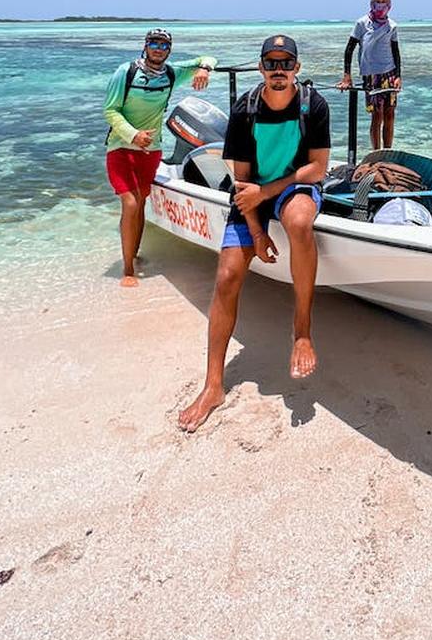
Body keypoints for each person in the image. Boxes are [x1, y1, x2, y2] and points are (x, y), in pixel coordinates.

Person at [178, 35, 331, 432]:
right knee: (227, 277)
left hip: (293, 186)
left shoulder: (313, 105)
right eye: (270, 63)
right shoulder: (245, 108)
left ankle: (302, 332)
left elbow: (317, 169)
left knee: (299, 221)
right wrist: (257, 233)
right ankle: (213, 384)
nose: (278, 70)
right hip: (253, 193)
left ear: (296, 68)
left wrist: (269, 192)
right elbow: (242, 183)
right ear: (261, 67)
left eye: (286, 63)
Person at [104, 28, 215, 287]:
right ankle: (128, 269)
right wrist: (133, 135)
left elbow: (207, 57)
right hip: (121, 147)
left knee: (141, 202)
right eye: (154, 43)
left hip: (151, 150)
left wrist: (205, 69)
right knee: (130, 204)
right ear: (145, 45)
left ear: (169, 50)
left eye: (164, 45)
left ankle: (134, 253)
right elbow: (110, 110)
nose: (158, 49)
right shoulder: (126, 72)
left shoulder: (172, 73)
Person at [338, 0, 402, 151]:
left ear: (390, 3)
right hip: (371, 75)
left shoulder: (392, 26)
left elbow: (396, 52)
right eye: (377, 1)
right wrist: (347, 76)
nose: (381, 5)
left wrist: (398, 76)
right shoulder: (362, 23)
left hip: (389, 73)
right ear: (371, 2)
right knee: (377, 115)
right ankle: (377, 151)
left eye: (384, 2)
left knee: (390, 115)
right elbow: (349, 49)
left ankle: (388, 151)